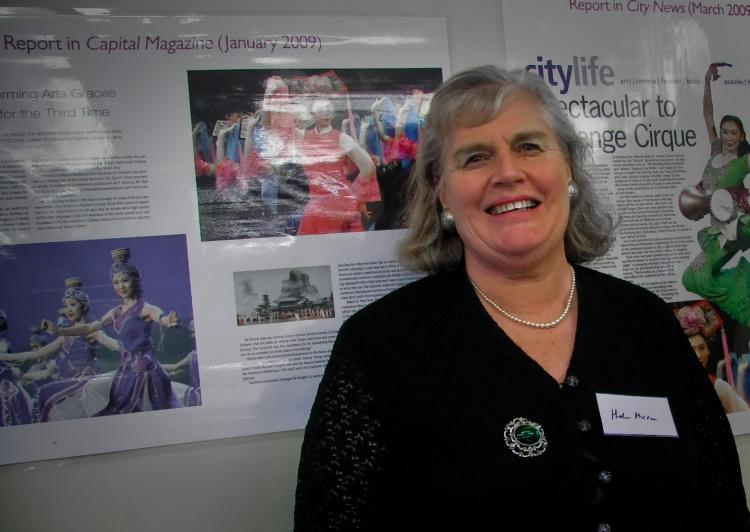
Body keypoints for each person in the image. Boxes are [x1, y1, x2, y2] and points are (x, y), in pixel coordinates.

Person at [295, 66, 750, 531]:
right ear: (442, 192)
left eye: (529, 146)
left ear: (567, 168)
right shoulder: (379, 347)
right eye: (475, 158)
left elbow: (724, 508)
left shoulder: (647, 322)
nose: (508, 172)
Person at [44, 248, 182, 415]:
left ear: (135, 280)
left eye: (125, 280)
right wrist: (59, 330)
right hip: (126, 369)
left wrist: (169, 321)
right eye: (116, 282)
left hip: (145, 371)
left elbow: (161, 317)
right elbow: (90, 327)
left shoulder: (144, 308)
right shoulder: (115, 311)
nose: (121, 286)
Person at [2, 278, 119, 421]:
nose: (68, 309)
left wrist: (128, 348)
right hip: (68, 380)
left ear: (83, 306)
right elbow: (36, 354)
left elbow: (110, 342)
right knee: (43, 394)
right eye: (66, 306)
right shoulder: (65, 335)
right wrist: (3, 357)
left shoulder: (91, 330)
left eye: (73, 305)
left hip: (83, 380)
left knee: (45, 393)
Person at [297, 99, 376, 235]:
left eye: (329, 110)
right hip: (315, 207)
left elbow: (368, 167)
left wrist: (353, 197)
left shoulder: (342, 138)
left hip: (337, 205)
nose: (326, 114)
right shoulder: (303, 136)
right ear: (313, 114)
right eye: (321, 111)